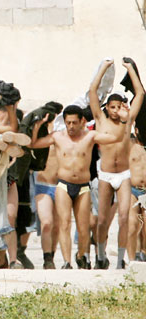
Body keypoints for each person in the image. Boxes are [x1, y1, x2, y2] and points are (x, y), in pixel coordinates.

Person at [30, 105, 128, 269]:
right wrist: (38, 125)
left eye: (74, 123)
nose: (71, 127)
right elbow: (33, 144)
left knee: (83, 228)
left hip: (83, 186)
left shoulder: (90, 136)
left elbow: (115, 138)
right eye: (68, 123)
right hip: (63, 185)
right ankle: (67, 262)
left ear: (82, 121)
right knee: (65, 223)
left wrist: (124, 120)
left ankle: (81, 255)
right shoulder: (57, 137)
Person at [89, 59, 145, 269]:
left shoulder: (128, 120)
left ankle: (121, 259)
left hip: (123, 174)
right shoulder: (101, 120)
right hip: (105, 174)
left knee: (123, 217)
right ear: (107, 108)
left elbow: (140, 94)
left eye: (117, 107)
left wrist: (131, 70)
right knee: (102, 219)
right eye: (111, 107)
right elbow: (92, 91)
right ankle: (101, 255)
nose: (114, 111)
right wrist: (103, 68)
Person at [127, 128, 146, 261]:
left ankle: (143, 253)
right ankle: (131, 258)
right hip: (132, 189)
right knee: (132, 224)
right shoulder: (130, 143)